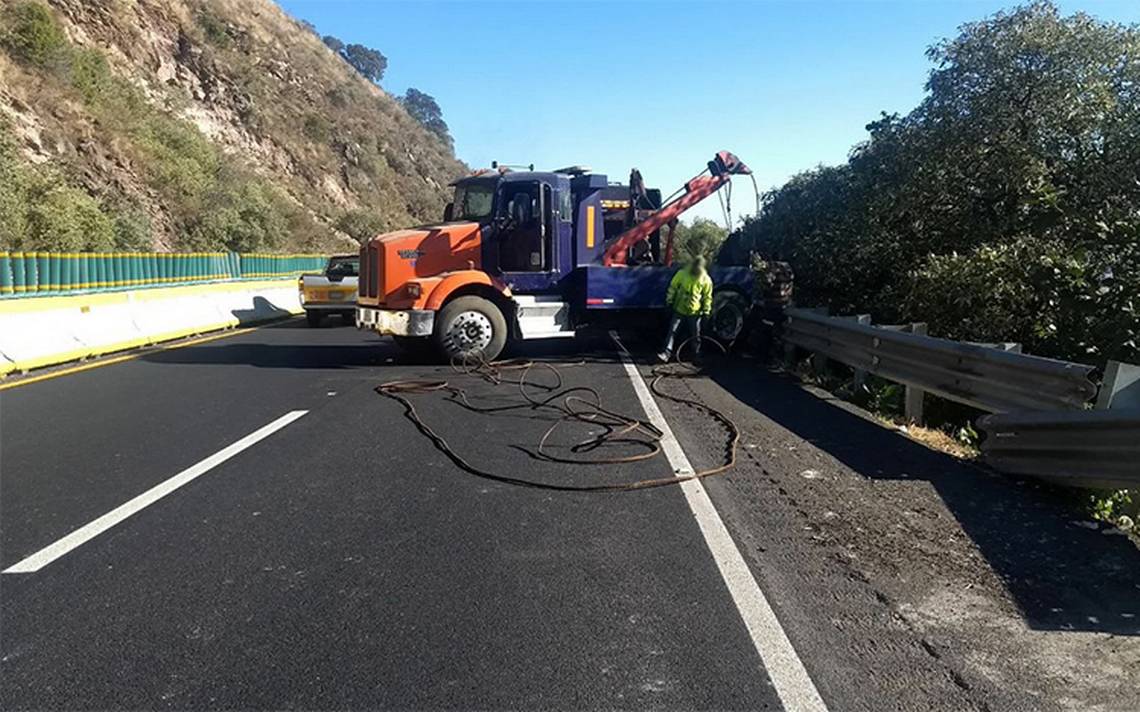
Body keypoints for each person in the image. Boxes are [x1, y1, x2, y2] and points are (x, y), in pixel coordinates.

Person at [658, 255, 713, 362]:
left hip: (695, 312)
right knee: (672, 331)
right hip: (680, 309)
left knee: (695, 335)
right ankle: (666, 353)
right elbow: (673, 287)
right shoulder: (682, 274)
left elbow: (707, 297)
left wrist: (706, 312)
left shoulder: (706, 279)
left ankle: (696, 354)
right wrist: (669, 302)